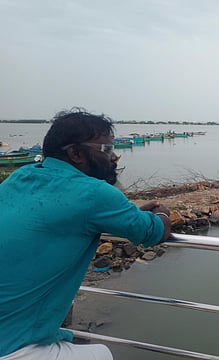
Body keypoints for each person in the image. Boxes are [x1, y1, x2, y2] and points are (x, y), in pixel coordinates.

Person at [0, 108, 172, 360]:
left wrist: (124, 213)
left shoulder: (20, 177)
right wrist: (163, 213)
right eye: (105, 150)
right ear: (76, 153)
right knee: (102, 353)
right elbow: (152, 232)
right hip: (12, 346)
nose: (113, 157)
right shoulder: (93, 193)